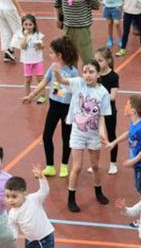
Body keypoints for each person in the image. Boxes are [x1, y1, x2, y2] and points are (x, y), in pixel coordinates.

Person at [48, 60, 112, 212]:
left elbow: (102, 117)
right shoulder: (78, 83)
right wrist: (56, 71)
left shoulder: (103, 93)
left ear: (98, 74)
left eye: (91, 72)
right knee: (77, 167)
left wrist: (103, 135)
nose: (87, 75)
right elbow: (62, 81)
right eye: (85, 72)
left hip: (93, 134)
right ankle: (71, 197)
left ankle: (98, 191)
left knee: (95, 166)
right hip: (77, 133)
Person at [22, 37, 79, 177]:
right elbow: (44, 82)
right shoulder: (53, 68)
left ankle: (64, 165)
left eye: (52, 52)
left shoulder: (73, 72)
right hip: (54, 105)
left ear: (59, 55)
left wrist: (75, 110)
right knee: (47, 135)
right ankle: (50, 166)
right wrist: (31, 95)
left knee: (66, 137)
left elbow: (76, 92)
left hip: (67, 108)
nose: (49, 55)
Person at [6, 169, 54, 248]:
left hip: (47, 238)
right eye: (8, 197)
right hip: (31, 241)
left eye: (14, 197)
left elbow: (44, 191)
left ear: (24, 194)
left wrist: (41, 178)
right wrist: (12, 243)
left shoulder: (33, 199)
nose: (11, 200)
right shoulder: (12, 213)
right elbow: (13, 230)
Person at [105, 95, 141, 194]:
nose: (124, 106)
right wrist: (114, 143)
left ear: (133, 111)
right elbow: (129, 133)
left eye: (127, 104)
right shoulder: (134, 123)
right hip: (139, 163)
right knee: (139, 187)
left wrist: (132, 161)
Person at [54, 0, 100, 64]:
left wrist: (85, 7)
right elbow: (57, 4)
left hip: (82, 28)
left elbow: (97, 4)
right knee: (70, 58)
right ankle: (72, 79)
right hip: (68, 28)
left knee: (87, 58)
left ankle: (91, 78)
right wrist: (57, 18)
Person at [95, 47, 119, 175]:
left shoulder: (113, 76)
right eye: (96, 60)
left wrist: (99, 98)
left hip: (109, 111)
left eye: (100, 60)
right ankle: (95, 163)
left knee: (111, 135)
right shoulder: (95, 75)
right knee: (95, 137)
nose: (97, 63)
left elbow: (113, 96)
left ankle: (113, 163)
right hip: (95, 112)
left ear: (108, 61)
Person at [16, 15, 45, 103]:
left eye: (30, 25)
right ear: (22, 25)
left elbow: (43, 46)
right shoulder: (21, 35)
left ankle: (42, 96)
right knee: (27, 80)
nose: (28, 27)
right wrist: (25, 37)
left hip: (37, 60)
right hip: (27, 61)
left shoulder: (38, 35)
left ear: (34, 25)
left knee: (40, 79)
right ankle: (27, 96)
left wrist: (40, 45)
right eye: (26, 25)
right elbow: (22, 46)